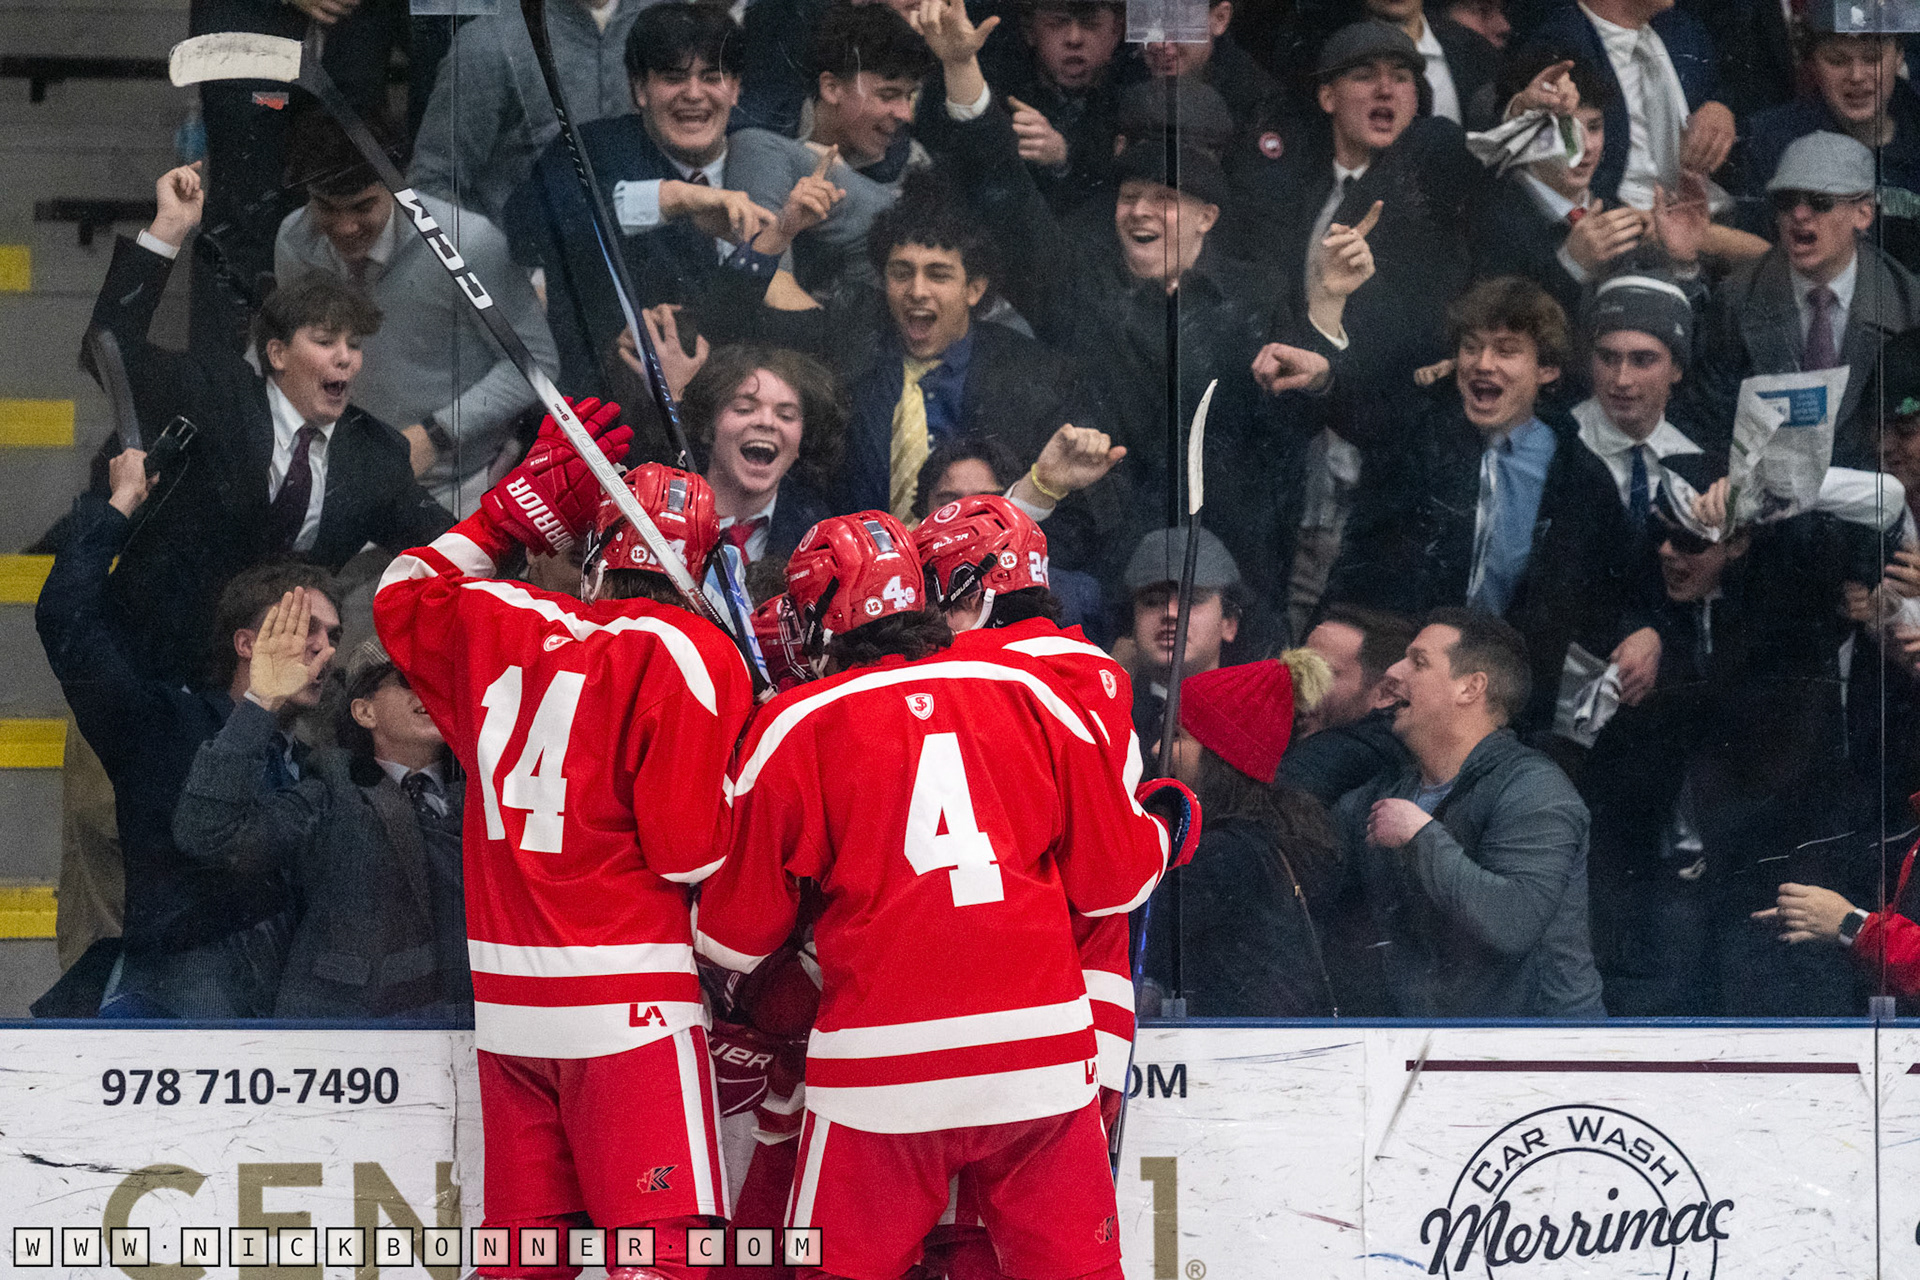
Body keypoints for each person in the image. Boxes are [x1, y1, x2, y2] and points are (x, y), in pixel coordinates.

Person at [694, 510, 1187, 1280]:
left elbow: (732, 937)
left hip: (880, 1071)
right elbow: (1114, 881)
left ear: (825, 617)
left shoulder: (796, 723)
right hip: (1041, 1058)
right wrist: (1166, 820)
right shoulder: (1031, 690)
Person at [373, 401, 754, 1278]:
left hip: (511, 1009)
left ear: (595, 553)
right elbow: (689, 852)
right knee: (662, 1255)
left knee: (524, 1256)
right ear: (698, 564)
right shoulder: (692, 651)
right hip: (630, 1006)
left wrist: (506, 518)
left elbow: (400, 589)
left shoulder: (500, 617)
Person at [83, 161, 452, 685]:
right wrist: (169, 228)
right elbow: (109, 347)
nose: (345, 358)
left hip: (268, 696)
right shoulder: (215, 395)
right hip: (146, 671)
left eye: (353, 345)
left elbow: (448, 547)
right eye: (324, 341)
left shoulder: (373, 455)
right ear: (277, 353)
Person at [37, 443, 341, 1018]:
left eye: (333, 636)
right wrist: (121, 501)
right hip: (181, 1006)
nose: (323, 649)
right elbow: (64, 617)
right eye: (303, 628)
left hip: (299, 1010)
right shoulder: (162, 725)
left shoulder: (318, 763)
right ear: (246, 643)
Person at [1326, 276, 1655, 733]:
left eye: (1506, 351)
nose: (1483, 364)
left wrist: (1642, 631)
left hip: (1505, 708)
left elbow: (1615, 586)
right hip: (1392, 688)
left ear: (1547, 370)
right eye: (1471, 347)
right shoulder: (1417, 436)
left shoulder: (1579, 476)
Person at [504, 3, 835, 393]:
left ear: (735, 89)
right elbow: (524, 232)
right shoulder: (590, 149)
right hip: (610, 404)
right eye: (673, 78)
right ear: (639, 89)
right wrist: (671, 198)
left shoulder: (763, 162)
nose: (693, 94)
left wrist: (777, 236)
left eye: (711, 77)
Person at [174, 619, 472, 1019]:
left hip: (478, 1027)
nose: (431, 690)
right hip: (352, 1034)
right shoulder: (331, 792)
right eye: (408, 679)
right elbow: (210, 835)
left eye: (441, 680)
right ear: (364, 711)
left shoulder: (495, 794)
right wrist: (261, 703)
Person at [276, 109, 560, 513]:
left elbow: (537, 363)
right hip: (342, 479)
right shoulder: (294, 241)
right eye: (326, 207)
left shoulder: (467, 243)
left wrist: (436, 434)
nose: (344, 226)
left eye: (362, 207)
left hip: (458, 486)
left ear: (399, 186)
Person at [1336, 608, 1607, 1017]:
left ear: (1470, 687)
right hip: (1433, 1044)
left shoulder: (1535, 790)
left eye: (1418, 662)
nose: (1393, 671)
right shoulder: (1383, 794)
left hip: (1544, 1045)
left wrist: (1421, 836)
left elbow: (1513, 922)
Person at [1686, 132, 1920, 469]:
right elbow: (1708, 416)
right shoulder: (1737, 298)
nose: (1799, 214)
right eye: (1786, 201)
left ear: (1863, 213)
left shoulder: (1908, 304)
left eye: (1819, 202)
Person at [1144, 654, 1343, 1016]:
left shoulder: (1226, 856)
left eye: (1177, 737)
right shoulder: (1264, 841)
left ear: (1220, 757)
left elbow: (1143, 934)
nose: (1158, 749)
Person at [729, 2, 934, 293]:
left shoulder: (910, 161)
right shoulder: (758, 137)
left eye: (909, 97)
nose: (904, 114)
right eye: (888, 95)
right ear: (831, 88)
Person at [408, 0, 653, 222]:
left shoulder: (662, 18)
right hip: (522, 251)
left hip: (647, 248)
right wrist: (492, 251)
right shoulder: (490, 42)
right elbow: (430, 187)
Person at [1735, 6, 1920, 263]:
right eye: (1837, 60)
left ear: (1899, 57)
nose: (1856, 76)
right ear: (1813, 63)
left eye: (1872, 58)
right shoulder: (1769, 141)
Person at [1522, 0, 1735, 209]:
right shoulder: (1560, 48)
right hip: (1629, 218)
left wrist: (1719, 107)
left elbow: (1719, 89)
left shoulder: (1678, 27)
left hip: (1708, 206)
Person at [1123, 526, 1254, 746]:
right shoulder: (1105, 716)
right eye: (1152, 601)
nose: (1170, 613)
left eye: (1192, 600)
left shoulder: (1252, 726)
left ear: (1229, 624)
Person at [1280, 603, 1417, 805]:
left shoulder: (1358, 751)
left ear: (1385, 693)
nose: (1299, 681)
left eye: (1323, 671)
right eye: (1302, 664)